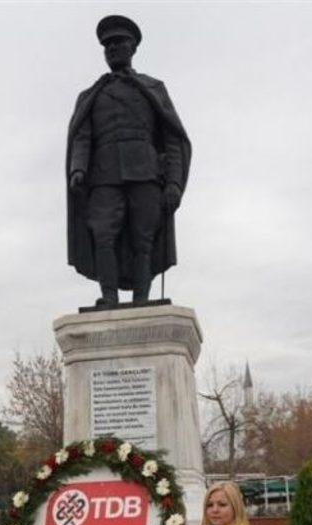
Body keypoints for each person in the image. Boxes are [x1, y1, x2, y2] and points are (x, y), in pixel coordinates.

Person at [67, 15, 191, 307]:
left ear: (132, 47)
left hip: (145, 172)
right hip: (103, 175)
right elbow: (82, 137)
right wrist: (77, 168)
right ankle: (108, 296)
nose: (112, 48)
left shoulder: (153, 88)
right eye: (107, 45)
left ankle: (141, 298)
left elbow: (173, 139)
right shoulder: (91, 95)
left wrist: (173, 182)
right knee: (102, 233)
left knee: (143, 237)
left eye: (118, 42)